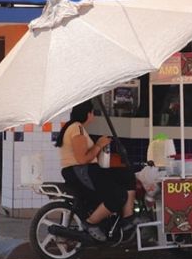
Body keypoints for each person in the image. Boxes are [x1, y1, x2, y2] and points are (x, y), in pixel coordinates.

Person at [56, 100, 139, 241]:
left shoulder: (76, 128)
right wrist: (99, 145)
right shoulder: (77, 128)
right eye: (93, 112)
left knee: (127, 175)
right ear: (88, 114)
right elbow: (82, 159)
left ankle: (127, 218)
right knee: (117, 196)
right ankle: (91, 223)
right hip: (81, 171)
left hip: (86, 170)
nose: (93, 115)